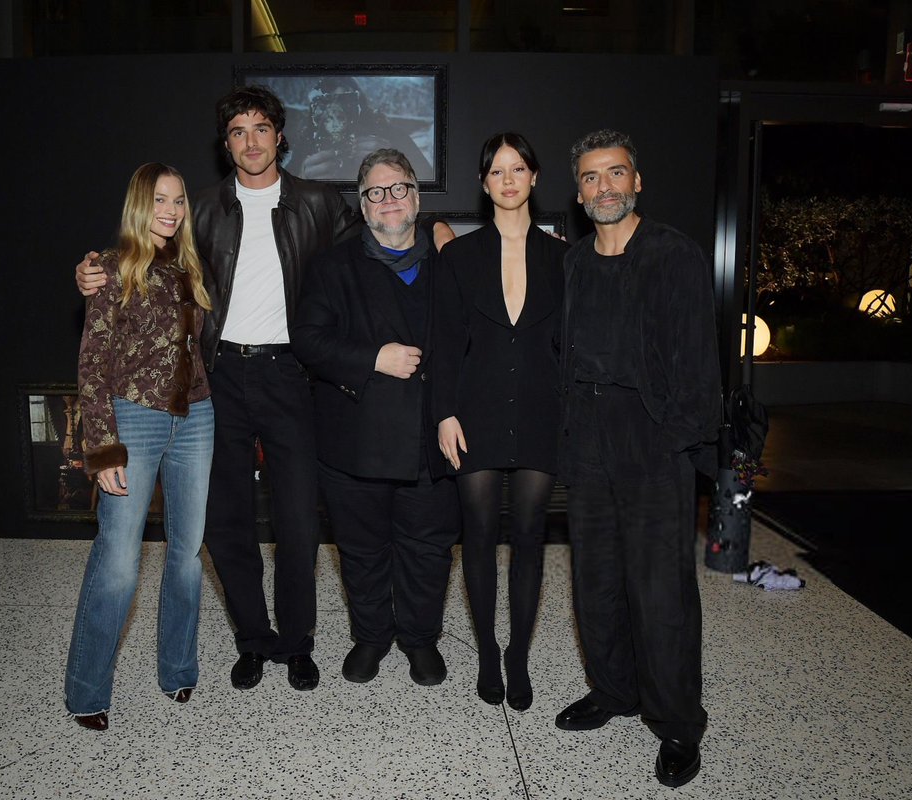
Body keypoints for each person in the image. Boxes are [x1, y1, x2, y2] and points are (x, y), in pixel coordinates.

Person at [76, 86, 359, 693]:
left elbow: (372, 252)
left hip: (293, 376)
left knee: (298, 522)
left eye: (262, 128)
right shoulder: (200, 209)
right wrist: (92, 267)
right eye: (238, 131)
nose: (251, 141)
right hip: (218, 379)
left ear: (280, 136)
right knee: (227, 523)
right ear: (225, 142)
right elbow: (143, 255)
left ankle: (297, 640)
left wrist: (438, 232)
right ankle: (253, 639)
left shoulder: (318, 204)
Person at [553, 130, 721, 788]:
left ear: (637, 181)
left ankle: (676, 722)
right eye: (592, 179)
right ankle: (614, 692)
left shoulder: (672, 255)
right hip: (588, 435)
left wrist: (676, 441)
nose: (604, 188)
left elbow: (696, 360)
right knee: (595, 580)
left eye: (615, 174)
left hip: (651, 436)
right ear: (577, 193)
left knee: (661, 591)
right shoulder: (571, 263)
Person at [292, 149, 459, 687]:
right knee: (361, 550)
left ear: (416, 197)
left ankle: (419, 639)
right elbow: (308, 341)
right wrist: (373, 359)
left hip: (431, 439)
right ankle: (371, 637)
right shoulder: (331, 267)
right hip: (355, 440)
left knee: (427, 549)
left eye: (400, 188)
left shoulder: (450, 262)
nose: (389, 200)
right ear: (362, 206)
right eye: (376, 192)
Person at [65, 162, 214, 731]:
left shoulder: (189, 267)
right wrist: (102, 450)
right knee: (120, 561)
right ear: (138, 204)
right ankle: (86, 690)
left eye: (178, 200)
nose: (171, 211)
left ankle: (178, 668)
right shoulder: (106, 268)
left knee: (186, 554)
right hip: (133, 420)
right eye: (159, 200)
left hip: (197, 417)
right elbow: (92, 365)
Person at [432, 133, 568, 711]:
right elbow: (443, 343)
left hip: (541, 410)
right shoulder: (459, 256)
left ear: (534, 177)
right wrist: (443, 413)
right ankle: (488, 650)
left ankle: (519, 653)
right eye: (497, 170)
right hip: (475, 412)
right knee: (480, 537)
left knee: (531, 536)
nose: (508, 179)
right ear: (484, 182)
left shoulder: (565, 257)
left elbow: (572, 345)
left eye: (518, 168)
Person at [286, 77, 435, 182]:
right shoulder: (306, 141)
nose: (337, 114)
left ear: (360, 105)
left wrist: (391, 161)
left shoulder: (391, 136)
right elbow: (281, 192)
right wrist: (302, 176)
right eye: (325, 105)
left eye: (346, 102)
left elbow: (426, 182)